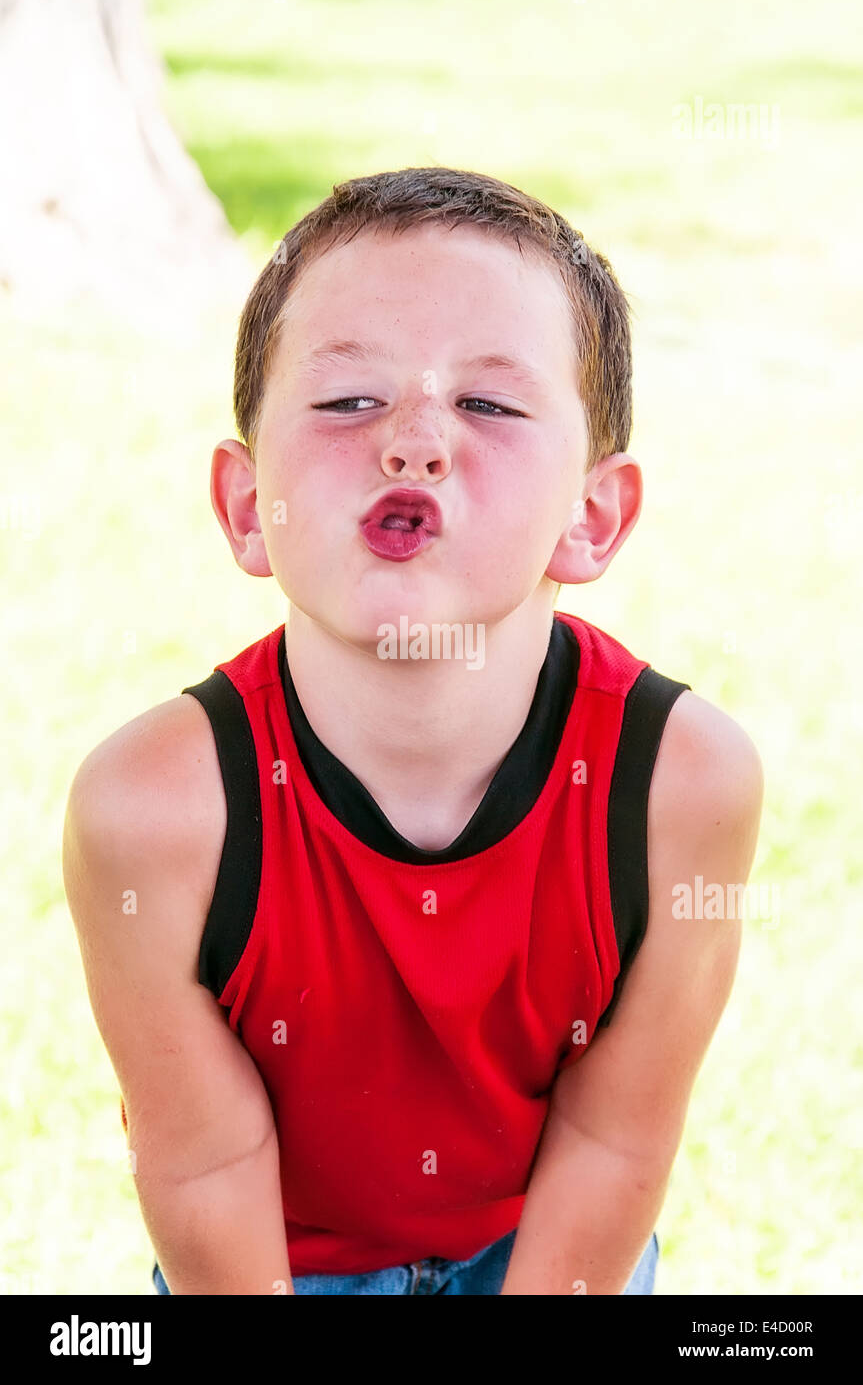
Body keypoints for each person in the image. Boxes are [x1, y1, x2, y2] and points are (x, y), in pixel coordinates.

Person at [62, 166, 764, 1296]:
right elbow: (205, 1163)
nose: (412, 442)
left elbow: (613, 1141)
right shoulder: (153, 812)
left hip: (546, 1252)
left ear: (590, 516)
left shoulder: (679, 784)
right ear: (249, 508)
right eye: (348, 401)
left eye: (487, 405)